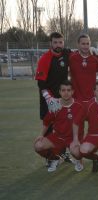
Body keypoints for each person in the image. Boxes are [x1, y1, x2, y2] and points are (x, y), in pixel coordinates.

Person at [35, 32, 72, 163]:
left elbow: (82, 54)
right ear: (51, 43)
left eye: (60, 42)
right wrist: (49, 98)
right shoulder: (45, 58)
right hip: (48, 100)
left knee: (64, 126)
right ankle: (49, 156)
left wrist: (96, 50)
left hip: (63, 98)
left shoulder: (67, 54)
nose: (58, 45)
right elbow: (41, 82)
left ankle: (63, 153)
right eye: (55, 42)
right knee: (49, 126)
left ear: (63, 42)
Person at [33, 81, 85, 172]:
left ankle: (79, 160)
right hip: (58, 137)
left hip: (74, 138)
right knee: (38, 146)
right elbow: (46, 122)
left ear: (72, 92)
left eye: (68, 90)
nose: (66, 92)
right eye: (63, 90)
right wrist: (41, 134)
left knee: (77, 152)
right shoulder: (55, 105)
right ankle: (55, 158)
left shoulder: (79, 105)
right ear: (60, 92)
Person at [69, 34, 98, 140]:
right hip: (76, 99)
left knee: (95, 128)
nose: (85, 46)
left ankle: (89, 148)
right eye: (83, 43)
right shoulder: (72, 57)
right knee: (78, 128)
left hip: (92, 100)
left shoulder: (95, 58)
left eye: (88, 43)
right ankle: (77, 150)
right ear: (78, 44)